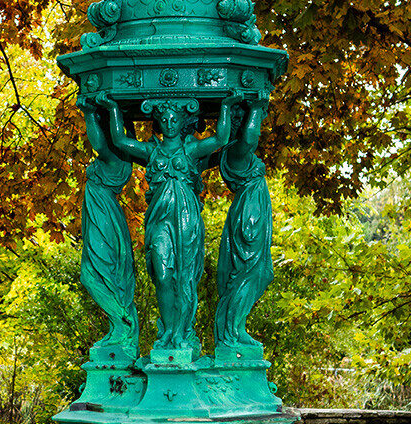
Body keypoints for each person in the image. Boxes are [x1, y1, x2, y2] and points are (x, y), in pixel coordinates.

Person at [97, 90, 242, 351]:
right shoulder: (151, 151)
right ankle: (168, 331)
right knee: (163, 275)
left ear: (182, 121)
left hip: (186, 220)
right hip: (159, 221)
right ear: (159, 122)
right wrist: (112, 108)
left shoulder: (192, 150)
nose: (170, 123)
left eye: (174, 118)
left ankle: (180, 334)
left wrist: (227, 106)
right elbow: (119, 139)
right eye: (164, 119)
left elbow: (221, 137)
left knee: (185, 277)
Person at [77, 95, 139, 354]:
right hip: (102, 214)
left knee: (93, 274)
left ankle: (122, 324)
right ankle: (120, 325)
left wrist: (89, 113)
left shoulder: (115, 157)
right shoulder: (118, 155)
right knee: (97, 273)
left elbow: (99, 143)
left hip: (104, 216)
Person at [214, 91, 273, 349]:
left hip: (253, 212)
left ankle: (235, 327)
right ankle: (232, 331)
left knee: (260, 273)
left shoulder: (239, 154)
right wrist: (258, 106)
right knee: (248, 271)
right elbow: (249, 139)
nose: (256, 132)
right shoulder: (236, 153)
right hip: (249, 217)